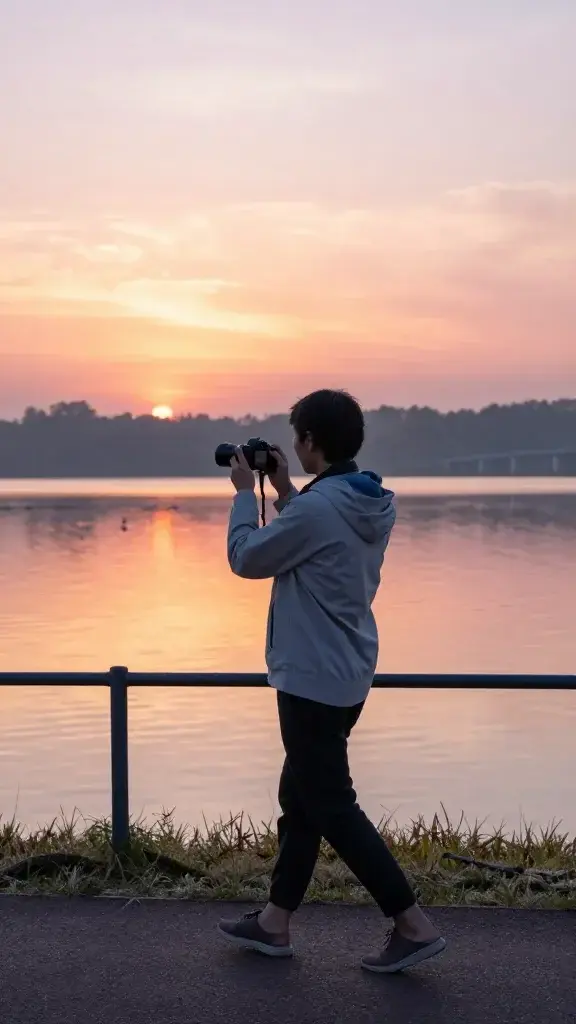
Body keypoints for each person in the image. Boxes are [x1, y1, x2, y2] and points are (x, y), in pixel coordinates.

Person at [217, 389, 445, 973]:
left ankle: (412, 924)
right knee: (302, 798)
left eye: (297, 439)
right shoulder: (366, 500)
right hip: (347, 669)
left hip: (311, 677)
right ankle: (274, 922)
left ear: (311, 441)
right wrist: (288, 489)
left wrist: (247, 497)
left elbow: (246, 558)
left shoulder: (322, 510)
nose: (293, 447)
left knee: (332, 804)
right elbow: (319, 536)